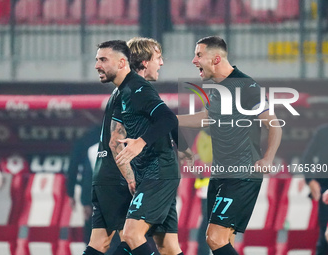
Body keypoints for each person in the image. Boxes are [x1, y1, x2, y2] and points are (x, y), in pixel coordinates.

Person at [177, 35, 282, 255]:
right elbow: (208, 118)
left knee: (214, 238)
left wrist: (268, 158)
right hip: (220, 173)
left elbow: (274, 125)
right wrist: (173, 120)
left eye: (198, 55)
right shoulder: (217, 88)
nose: (194, 61)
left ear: (216, 59)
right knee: (223, 240)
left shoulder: (245, 85)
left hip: (241, 173)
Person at [109, 39, 183, 254]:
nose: (161, 63)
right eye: (158, 58)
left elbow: (169, 119)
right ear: (143, 61)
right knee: (168, 247)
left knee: (131, 234)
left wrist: (140, 143)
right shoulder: (132, 88)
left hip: (158, 172)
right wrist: (131, 176)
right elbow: (116, 141)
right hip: (153, 173)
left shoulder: (136, 88)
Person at [82, 40, 135, 255]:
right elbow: (115, 142)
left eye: (102, 60)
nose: (96, 65)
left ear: (122, 63)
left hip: (105, 178)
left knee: (101, 243)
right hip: (118, 180)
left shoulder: (117, 94)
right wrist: (131, 178)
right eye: (97, 60)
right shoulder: (129, 93)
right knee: (132, 238)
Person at [302, 124, 328, 255]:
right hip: (325, 187)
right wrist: (310, 180)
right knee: (325, 236)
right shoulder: (323, 133)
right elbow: (306, 159)